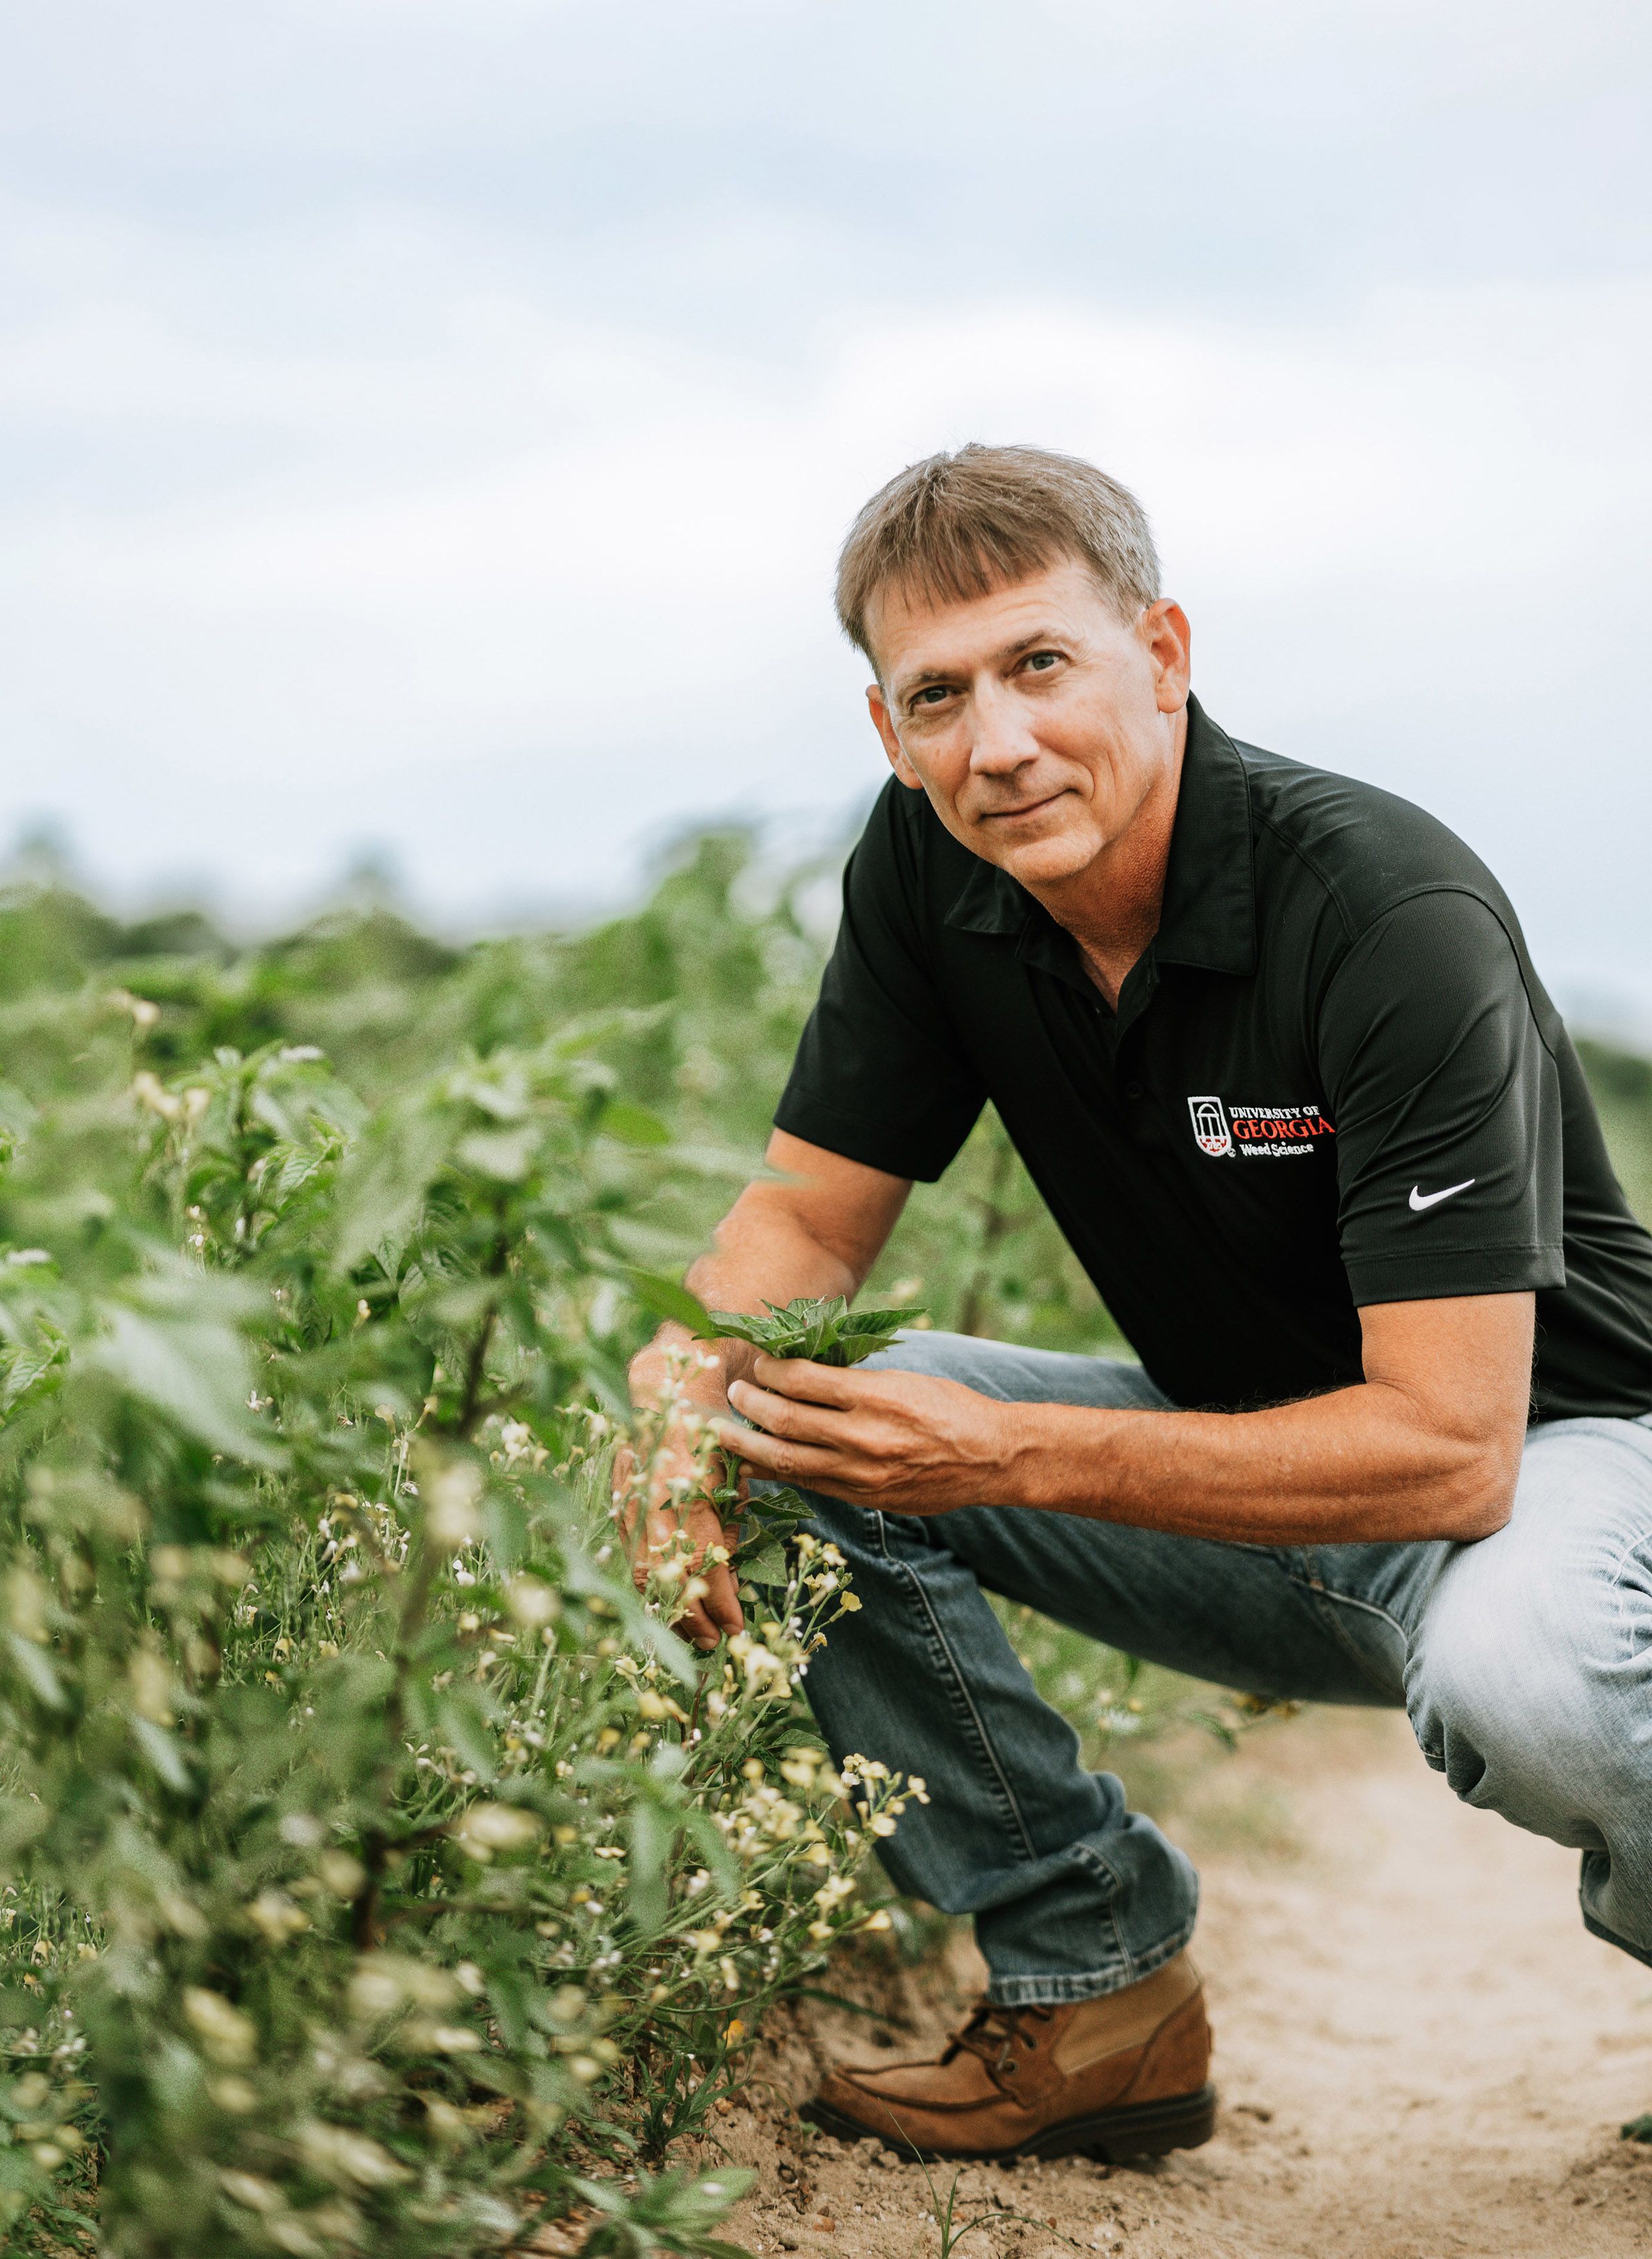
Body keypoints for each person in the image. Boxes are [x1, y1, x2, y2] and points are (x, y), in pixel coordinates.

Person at [622, 443, 1652, 2166]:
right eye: (934, 696)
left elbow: (1455, 1458)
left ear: (1161, 656)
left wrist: (1007, 1454)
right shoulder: (927, 871)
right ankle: (1089, 1988)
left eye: (1040, 665)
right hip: (1258, 1480)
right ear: (885, 731)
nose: (996, 743)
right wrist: (674, 1381)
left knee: (1525, 1672)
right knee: (780, 1418)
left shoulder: (1379, 906)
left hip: (1570, 1468)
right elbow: (804, 1214)